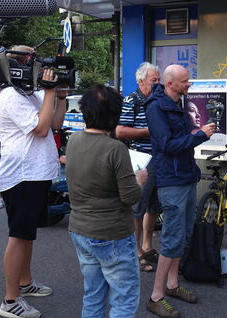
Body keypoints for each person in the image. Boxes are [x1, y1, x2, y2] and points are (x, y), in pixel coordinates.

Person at [66, 85, 147, 318]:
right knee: (124, 298)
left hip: (80, 229)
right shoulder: (115, 148)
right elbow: (131, 196)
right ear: (115, 114)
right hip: (112, 233)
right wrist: (139, 179)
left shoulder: (74, 140)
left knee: (93, 294)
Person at [0, 67, 67, 318]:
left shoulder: (31, 94)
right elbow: (40, 129)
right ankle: (10, 300)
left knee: (28, 235)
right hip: (22, 175)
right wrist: (49, 92)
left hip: (37, 174)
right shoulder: (10, 96)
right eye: (31, 62)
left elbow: (55, 123)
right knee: (19, 235)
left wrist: (61, 96)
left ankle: (25, 283)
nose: (38, 68)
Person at [144, 64, 215, 318]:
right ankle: (156, 296)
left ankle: (172, 285)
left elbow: (178, 140)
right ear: (170, 83)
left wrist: (196, 133)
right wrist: (200, 137)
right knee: (173, 239)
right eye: (185, 81)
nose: (190, 84)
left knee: (183, 235)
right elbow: (166, 145)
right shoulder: (156, 107)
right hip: (171, 180)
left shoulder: (178, 104)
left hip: (185, 176)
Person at [115, 62, 161, 273]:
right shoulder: (131, 100)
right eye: (154, 80)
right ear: (141, 81)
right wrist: (149, 131)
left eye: (159, 80)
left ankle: (147, 246)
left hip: (159, 159)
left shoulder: (159, 100)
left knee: (153, 207)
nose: (158, 84)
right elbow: (121, 131)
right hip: (141, 160)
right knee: (137, 209)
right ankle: (135, 253)